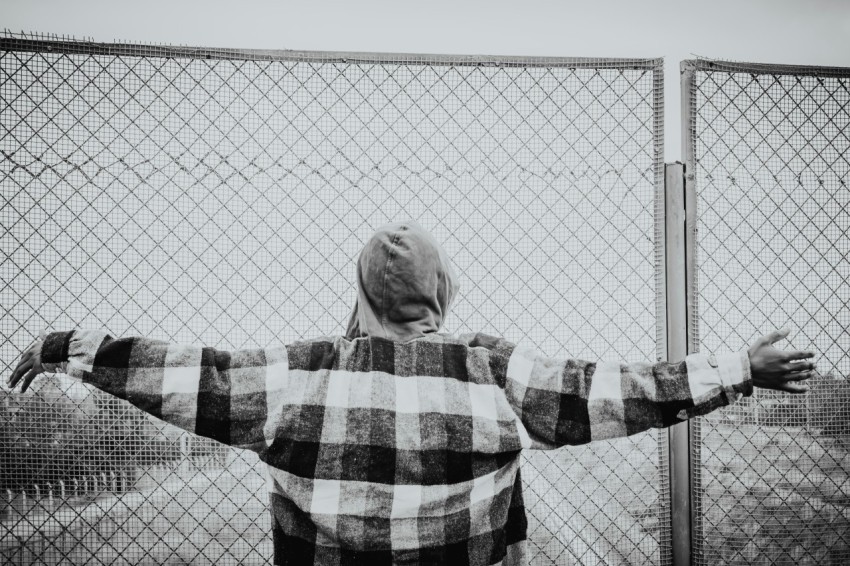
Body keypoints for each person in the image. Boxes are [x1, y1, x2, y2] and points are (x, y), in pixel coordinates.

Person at [7, 221, 815, 565]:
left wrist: (66, 349)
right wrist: (740, 368)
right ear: (444, 295)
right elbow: (614, 391)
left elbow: (187, 374)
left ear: (360, 298)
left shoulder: (302, 373)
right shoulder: (494, 371)